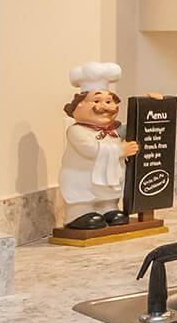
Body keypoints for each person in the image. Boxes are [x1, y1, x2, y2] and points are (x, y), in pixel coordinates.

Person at [59, 61, 140, 230]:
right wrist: (120, 150)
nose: (104, 107)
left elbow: (136, 127)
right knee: (83, 199)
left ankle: (108, 209)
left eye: (109, 101)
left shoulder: (114, 130)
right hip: (82, 182)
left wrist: (151, 105)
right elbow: (91, 150)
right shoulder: (77, 131)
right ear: (78, 106)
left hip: (106, 186)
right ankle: (79, 214)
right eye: (96, 100)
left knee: (108, 199)